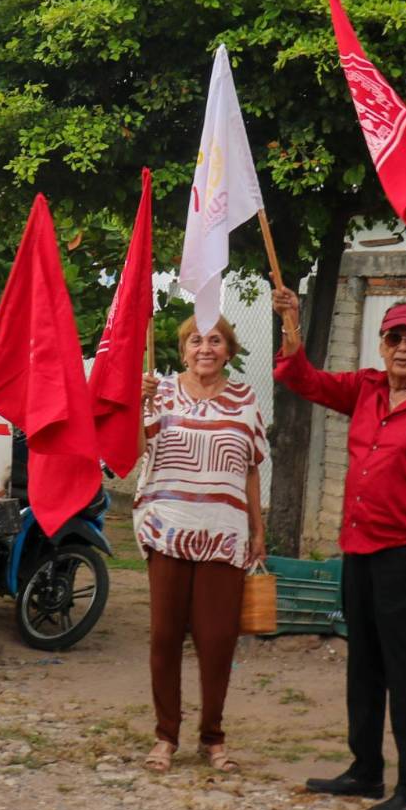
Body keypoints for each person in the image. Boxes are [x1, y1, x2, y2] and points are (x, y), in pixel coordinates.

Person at [270, 282, 406, 810]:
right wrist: (292, 321)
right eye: (393, 338)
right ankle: (366, 769)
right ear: (381, 346)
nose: (403, 347)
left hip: (405, 556)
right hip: (357, 549)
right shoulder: (366, 389)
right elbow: (305, 380)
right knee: (363, 664)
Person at [133, 313, 266, 775]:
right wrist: (138, 406)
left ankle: (213, 737)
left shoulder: (246, 400)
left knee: (217, 640)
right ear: (183, 349)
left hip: (224, 533)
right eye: (195, 340)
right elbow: (133, 451)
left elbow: (250, 468)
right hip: (167, 527)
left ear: (229, 350)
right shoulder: (158, 392)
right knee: (165, 637)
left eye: (214, 340)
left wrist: (258, 529)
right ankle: (165, 736)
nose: (204, 348)